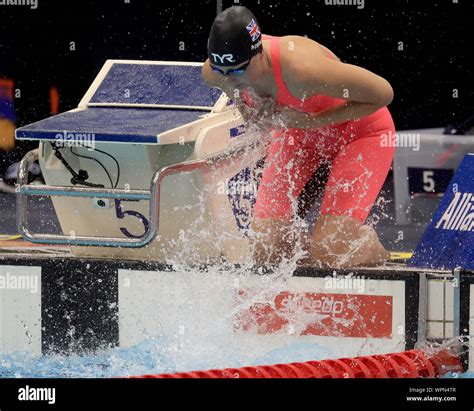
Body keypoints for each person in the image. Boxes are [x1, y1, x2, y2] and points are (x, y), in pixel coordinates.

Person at [202, 6, 396, 268]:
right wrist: (253, 116)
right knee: (267, 249)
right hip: (299, 135)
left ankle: (368, 248)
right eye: (221, 71)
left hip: (360, 133)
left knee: (331, 251)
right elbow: (240, 97)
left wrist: (311, 121)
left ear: (259, 54)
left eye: (237, 71)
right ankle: (315, 256)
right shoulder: (218, 71)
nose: (229, 79)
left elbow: (383, 94)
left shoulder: (301, 69)